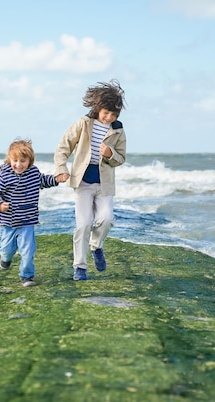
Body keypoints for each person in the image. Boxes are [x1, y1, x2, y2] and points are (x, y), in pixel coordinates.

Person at [54, 79, 127, 281]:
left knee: (106, 219)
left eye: (113, 115)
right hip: (83, 183)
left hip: (105, 184)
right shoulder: (83, 124)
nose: (109, 118)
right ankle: (80, 267)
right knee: (83, 224)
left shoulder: (118, 130)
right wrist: (62, 168)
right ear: (97, 108)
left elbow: (121, 158)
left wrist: (110, 153)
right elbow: (63, 147)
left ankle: (96, 246)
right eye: (106, 113)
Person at [0, 138, 64, 287]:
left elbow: (44, 181)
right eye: (15, 160)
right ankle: (6, 258)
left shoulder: (34, 173)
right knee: (6, 249)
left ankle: (27, 276)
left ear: (30, 161)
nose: (18, 164)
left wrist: (57, 179)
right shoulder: (4, 176)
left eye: (23, 161)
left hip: (28, 220)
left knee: (28, 250)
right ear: (9, 159)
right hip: (8, 221)